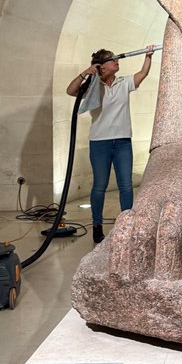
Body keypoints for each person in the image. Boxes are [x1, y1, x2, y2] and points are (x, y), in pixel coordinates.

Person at [66, 46, 156, 244]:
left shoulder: (124, 83)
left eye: (116, 58)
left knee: (125, 185)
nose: (116, 61)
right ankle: (97, 225)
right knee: (100, 185)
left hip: (123, 141)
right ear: (101, 67)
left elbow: (142, 74)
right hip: (100, 142)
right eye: (111, 59)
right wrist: (84, 74)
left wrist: (148, 56)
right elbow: (70, 90)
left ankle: (127, 224)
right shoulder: (92, 86)